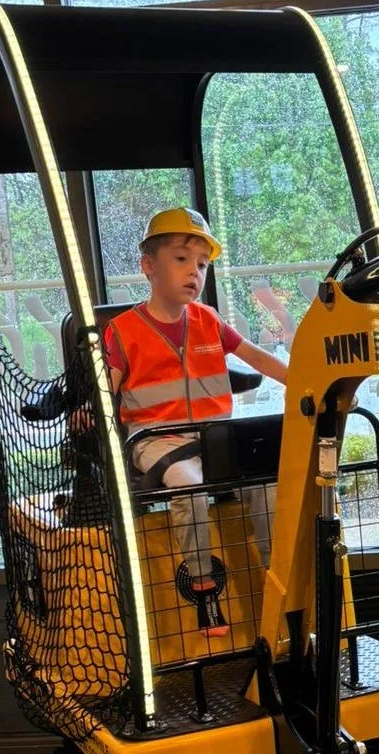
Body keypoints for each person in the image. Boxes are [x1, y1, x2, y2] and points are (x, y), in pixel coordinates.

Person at [101, 208, 288, 637]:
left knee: (266, 481)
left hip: (215, 437)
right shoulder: (123, 332)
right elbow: (104, 391)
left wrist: (307, 381)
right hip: (156, 441)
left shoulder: (208, 321)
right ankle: (204, 590)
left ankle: (277, 581)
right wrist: (85, 414)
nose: (195, 273)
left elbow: (258, 359)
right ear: (148, 266)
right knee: (189, 487)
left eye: (202, 264)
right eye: (182, 259)